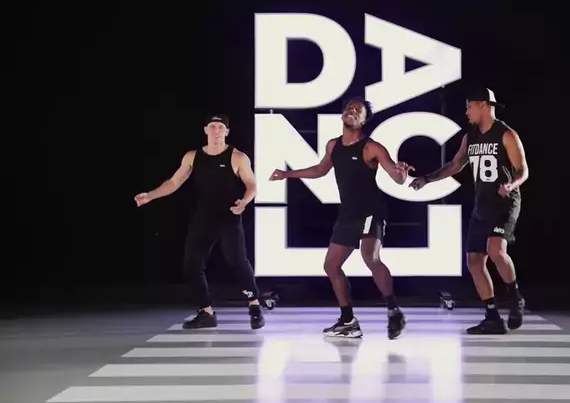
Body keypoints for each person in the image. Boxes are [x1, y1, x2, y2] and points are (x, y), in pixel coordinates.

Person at [269, 97, 413, 340]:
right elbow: (320, 170)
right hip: (348, 214)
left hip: (371, 211)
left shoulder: (372, 148)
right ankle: (348, 321)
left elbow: (396, 177)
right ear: (342, 114)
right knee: (331, 266)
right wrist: (287, 174)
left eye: (358, 110)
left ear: (364, 120)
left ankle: (394, 311)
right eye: (349, 108)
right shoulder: (333, 145)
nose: (352, 111)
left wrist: (401, 174)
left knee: (370, 257)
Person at [410, 88, 529, 334]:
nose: (466, 112)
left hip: (505, 203)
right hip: (482, 205)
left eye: (469, 106)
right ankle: (492, 316)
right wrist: (427, 179)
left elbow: (522, 170)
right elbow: (456, 165)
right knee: (474, 261)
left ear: (483, 105)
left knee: (496, 250)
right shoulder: (470, 137)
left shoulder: (506, 134)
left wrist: (511, 184)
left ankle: (515, 298)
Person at [134, 115, 265, 330]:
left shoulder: (238, 157)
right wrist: (150, 195)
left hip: (229, 217)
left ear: (226, 132)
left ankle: (254, 306)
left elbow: (251, 185)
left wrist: (244, 202)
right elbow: (174, 182)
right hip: (204, 218)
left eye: (220, 127)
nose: (216, 131)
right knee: (191, 265)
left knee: (237, 261)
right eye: (212, 126)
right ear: (205, 130)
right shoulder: (192, 156)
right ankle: (206, 312)